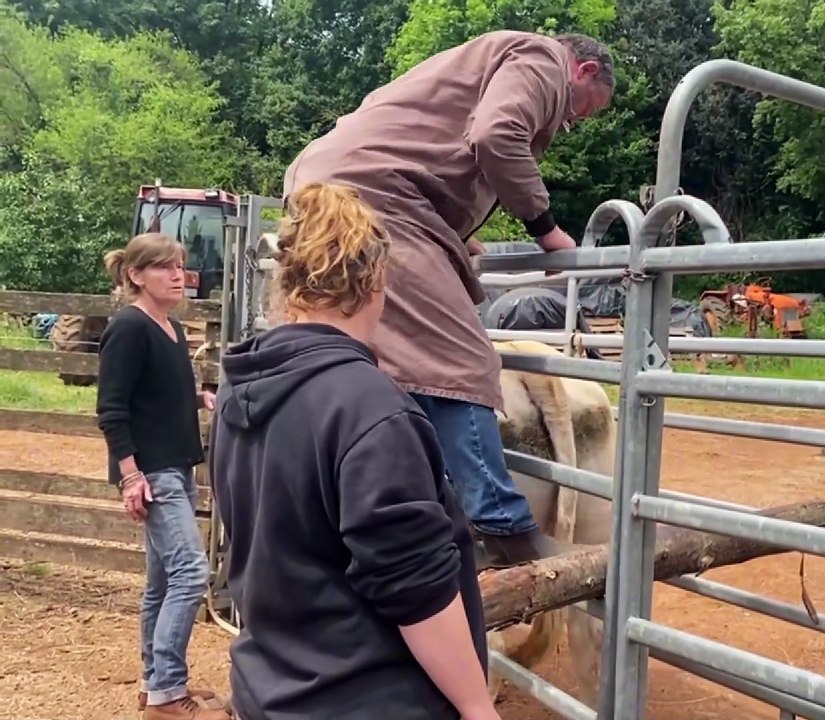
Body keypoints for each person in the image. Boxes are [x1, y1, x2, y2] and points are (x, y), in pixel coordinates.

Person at [281, 30, 616, 566]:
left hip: (333, 183)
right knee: (457, 359)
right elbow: (496, 134)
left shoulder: (478, 59)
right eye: (582, 110)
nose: (571, 121)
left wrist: (453, 232)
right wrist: (547, 230)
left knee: (368, 354)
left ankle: (405, 505)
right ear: (586, 70)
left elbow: (433, 147)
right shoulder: (543, 59)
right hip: (377, 196)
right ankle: (501, 524)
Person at [208, 182, 497, 720]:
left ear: (288, 283)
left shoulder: (239, 389)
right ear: (376, 281)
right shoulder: (371, 408)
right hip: (368, 699)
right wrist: (477, 705)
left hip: (269, 688)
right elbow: (414, 587)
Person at [94, 233, 228, 720]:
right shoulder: (129, 328)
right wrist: (130, 476)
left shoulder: (168, 327)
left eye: (180, 265)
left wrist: (198, 398)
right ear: (135, 275)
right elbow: (112, 409)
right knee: (190, 574)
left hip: (176, 466)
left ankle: (156, 684)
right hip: (152, 472)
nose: (178, 275)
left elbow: (153, 391)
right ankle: (168, 696)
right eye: (164, 267)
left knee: (162, 582)